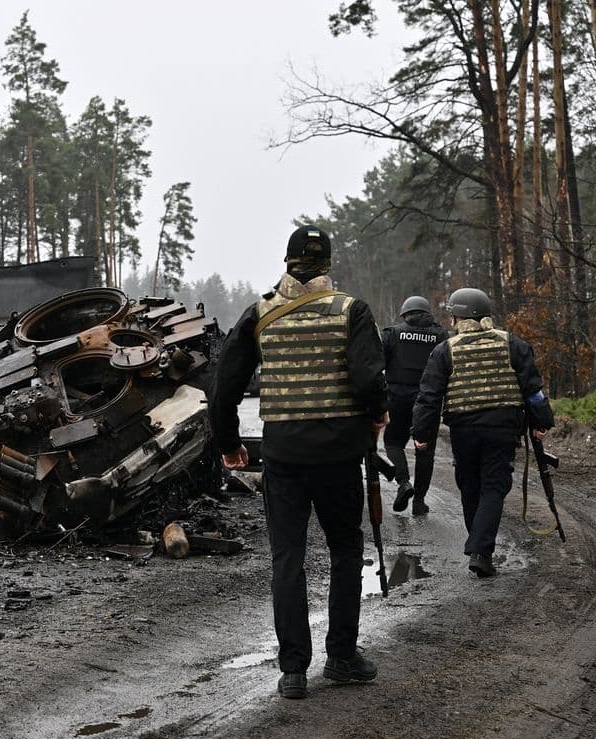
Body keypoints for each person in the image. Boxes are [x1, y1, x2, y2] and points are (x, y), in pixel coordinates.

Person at [210, 224, 388, 701]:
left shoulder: (260, 312)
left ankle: (293, 671)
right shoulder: (351, 310)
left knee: (287, 558)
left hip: (284, 457)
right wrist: (377, 417)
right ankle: (342, 657)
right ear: (328, 264)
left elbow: (224, 388)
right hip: (338, 456)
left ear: (288, 263)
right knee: (345, 551)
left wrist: (229, 445)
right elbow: (370, 379)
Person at [411, 288, 554, 578]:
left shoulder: (445, 351)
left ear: (457, 318)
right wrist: (541, 422)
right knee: (494, 487)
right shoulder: (512, 343)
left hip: (464, 430)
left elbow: (429, 396)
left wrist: (422, 433)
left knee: (470, 485)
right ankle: (480, 550)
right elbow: (533, 391)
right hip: (502, 427)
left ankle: (480, 549)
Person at [382, 296, 449, 515]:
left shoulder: (392, 333)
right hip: (428, 400)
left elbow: (378, 362)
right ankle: (419, 502)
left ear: (405, 314)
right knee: (425, 450)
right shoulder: (440, 335)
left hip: (397, 398)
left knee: (393, 442)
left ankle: (403, 483)